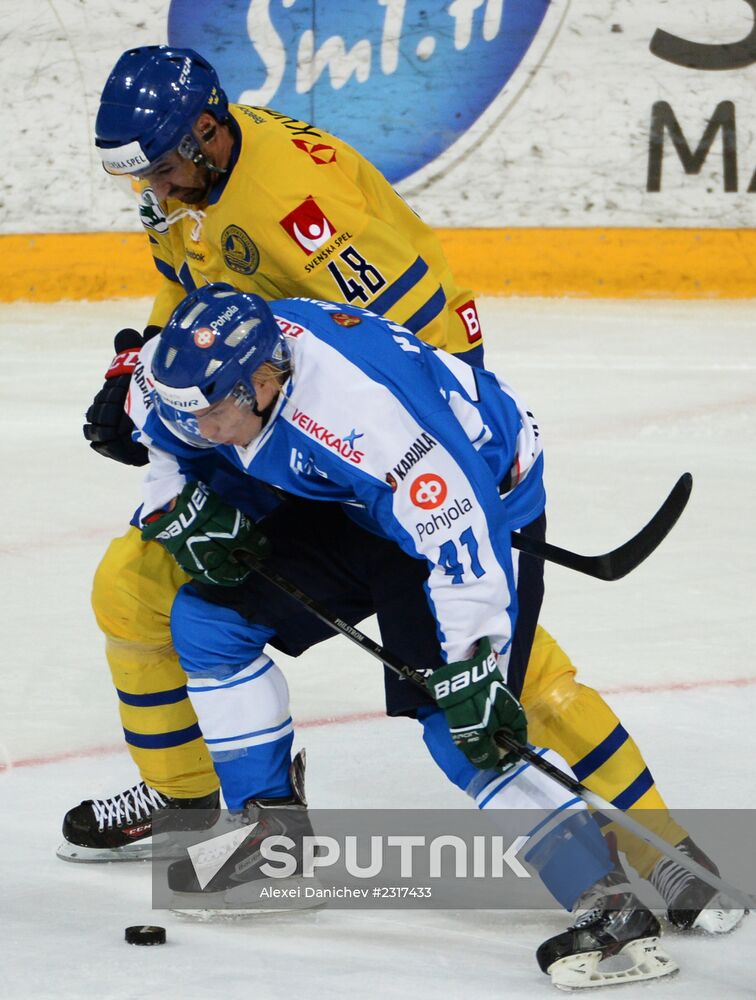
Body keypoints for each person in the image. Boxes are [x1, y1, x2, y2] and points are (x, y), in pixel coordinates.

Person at [62, 44, 739, 941]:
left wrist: (405, 486)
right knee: (143, 589)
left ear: (207, 132)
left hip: (392, 444)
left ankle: (663, 852)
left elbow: (417, 360)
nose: (153, 188)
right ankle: (218, 813)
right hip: (277, 423)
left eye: (164, 166)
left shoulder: (302, 209)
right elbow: (187, 289)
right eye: (141, 175)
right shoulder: (185, 184)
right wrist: (150, 375)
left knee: (501, 676)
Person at [139, 282, 681, 987]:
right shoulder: (209, 374)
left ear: (264, 382)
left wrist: (472, 666)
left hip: (479, 508)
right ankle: (274, 842)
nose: (203, 430)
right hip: (360, 503)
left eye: (214, 415)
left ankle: (609, 904)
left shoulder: (365, 417)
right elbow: (154, 424)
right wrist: (174, 506)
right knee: (209, 621)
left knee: (462, 723)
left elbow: (461, 533)